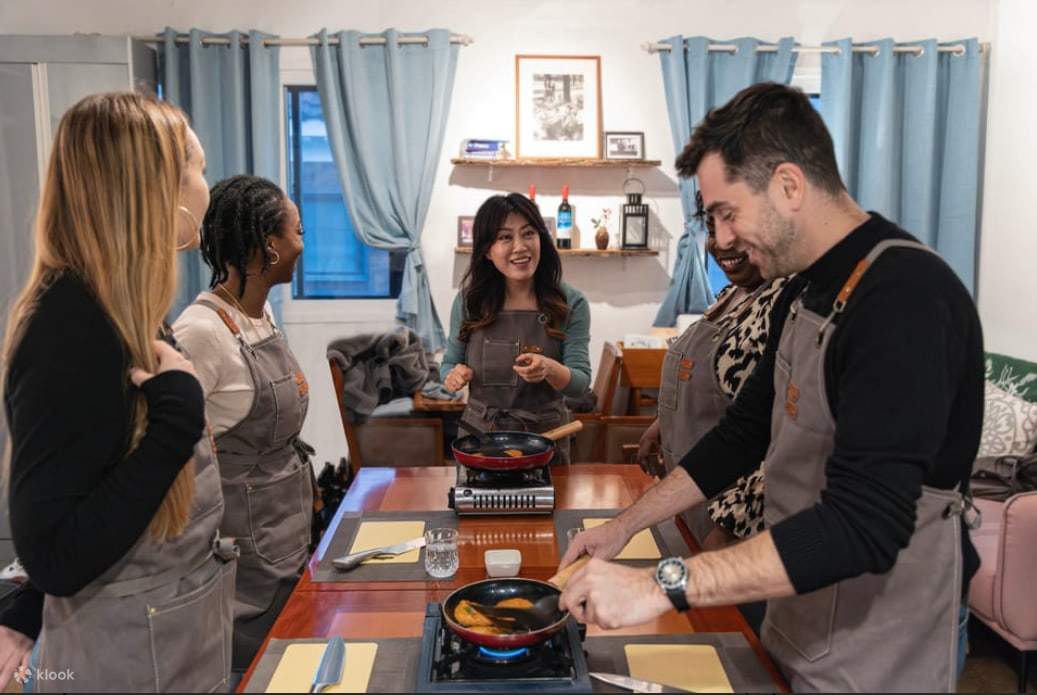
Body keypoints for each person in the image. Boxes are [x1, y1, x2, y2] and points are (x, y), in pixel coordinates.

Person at [558, 83, 983, 693]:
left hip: (882, 641)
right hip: (800, 614)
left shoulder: (904, 298)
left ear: (788, 185)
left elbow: (864, 523)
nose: (722, 238)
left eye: (727, 212)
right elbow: (743, 434)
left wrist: (659, 585)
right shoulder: (801, 290)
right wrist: (624, 525)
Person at [1, 92, 236, 692]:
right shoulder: (70, 326)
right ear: (155, 190)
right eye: (198, 169)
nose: (206, 189)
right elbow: (54, 551)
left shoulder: (125, 311)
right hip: (125, 665)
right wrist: (175, 421)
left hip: (166, 647)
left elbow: (93, 478)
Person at [172, 175, 312, 671]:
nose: (302, 243)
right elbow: (173, 457)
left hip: (286, 529)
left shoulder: (259, 314)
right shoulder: (200, 332)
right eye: (297, 231)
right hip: (245, 552)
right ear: (268, 246)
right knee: (249, 669)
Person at [638, 189, 787, 550]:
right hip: (693, 500)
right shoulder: (732, 294)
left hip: (732, 526)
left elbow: (778, 439)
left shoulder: (784, 303)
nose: (721, 241)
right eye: (711, 224)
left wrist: (728, 528)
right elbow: (711, 384)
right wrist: (664, 423)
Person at [442, 193, 591, 463]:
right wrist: (454, 375)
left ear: (541, 239)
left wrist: (549, 368)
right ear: (487, 250)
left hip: (547, 441)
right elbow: (448, 364)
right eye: (505, 237)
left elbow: (579, 384)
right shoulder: (469, 301)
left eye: (528, 233)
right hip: (481, 440)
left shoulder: (570, 302)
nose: (520, 247)